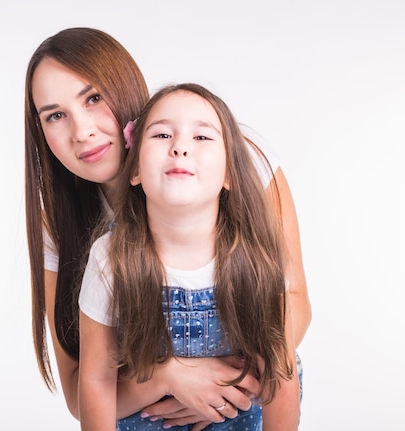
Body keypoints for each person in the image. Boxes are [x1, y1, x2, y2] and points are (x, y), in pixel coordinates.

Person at [24, 27, 311, 429]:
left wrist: (224, 385)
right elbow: (82, 388)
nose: (82, 131)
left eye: (93, 98)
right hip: (145, 411)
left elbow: (293, 301)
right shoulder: (72, 230)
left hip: (244, 400)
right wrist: (168, 376)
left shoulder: (225, 158)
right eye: (55, 115)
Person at [79, 83, 300, 431]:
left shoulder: (255, 257)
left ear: (229, 174)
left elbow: (281, 379)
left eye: (202, 138)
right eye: (163, 134)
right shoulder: (110, 259)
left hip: (240, 419)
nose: (180, 147)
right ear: (134, 170)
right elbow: (96, 382)